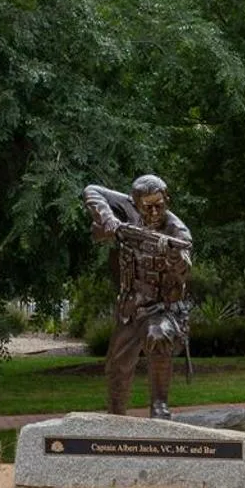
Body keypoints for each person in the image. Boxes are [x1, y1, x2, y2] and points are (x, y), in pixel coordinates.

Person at [81, 174, 193, 419]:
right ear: (134, 203)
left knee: (158, 336)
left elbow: (185, 268)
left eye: (159, 205)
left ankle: (160, 407)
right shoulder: (127, 208)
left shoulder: (177, 231)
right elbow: (91, 190)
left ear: (167, 200)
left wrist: (174, 259)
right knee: (116, 365)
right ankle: (115, 416)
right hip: (130, 307)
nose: (154, 212)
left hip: (161, 308)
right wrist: (109, 220)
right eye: (147, 207)